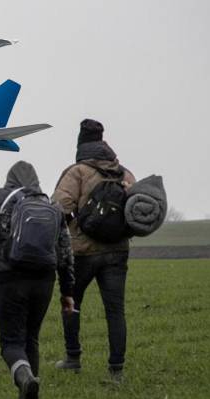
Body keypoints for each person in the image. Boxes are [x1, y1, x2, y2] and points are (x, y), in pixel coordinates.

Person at [0, 161, 75, 399]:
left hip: (9, 278)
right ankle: (30, 393)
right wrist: (67, 292)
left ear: (10, 179)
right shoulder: (52, 206)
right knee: (31, 338)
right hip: (44, 281)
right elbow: (66, 254)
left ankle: (25, 378)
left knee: (10, 342)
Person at [52, 119, 136, 382]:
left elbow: (59, 209)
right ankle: (116, 370)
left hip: (82, 252)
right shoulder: (124, 173)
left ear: (81, 144)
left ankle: (73, 358)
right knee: (115, 311)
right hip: (117, 252)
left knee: (70, 303)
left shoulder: (76, 172)